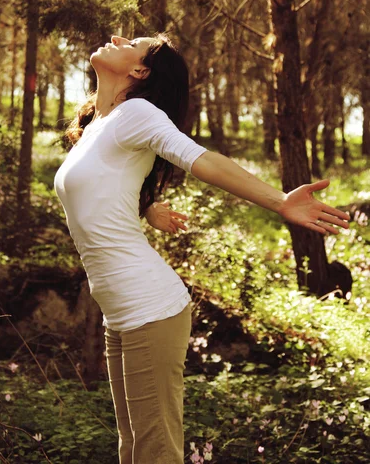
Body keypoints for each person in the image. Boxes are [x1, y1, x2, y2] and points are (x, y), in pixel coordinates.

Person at [54, 33, 350, 464]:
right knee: (133, 449)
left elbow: (201, 159)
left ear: (139, 72)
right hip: (120, 313)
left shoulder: (136, 112)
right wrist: (147, 207)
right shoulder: (97, 126)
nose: (116, 37)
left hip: (148, 309)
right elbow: (102, 189)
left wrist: (280, 200)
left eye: (132, 42)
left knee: (156, 452)